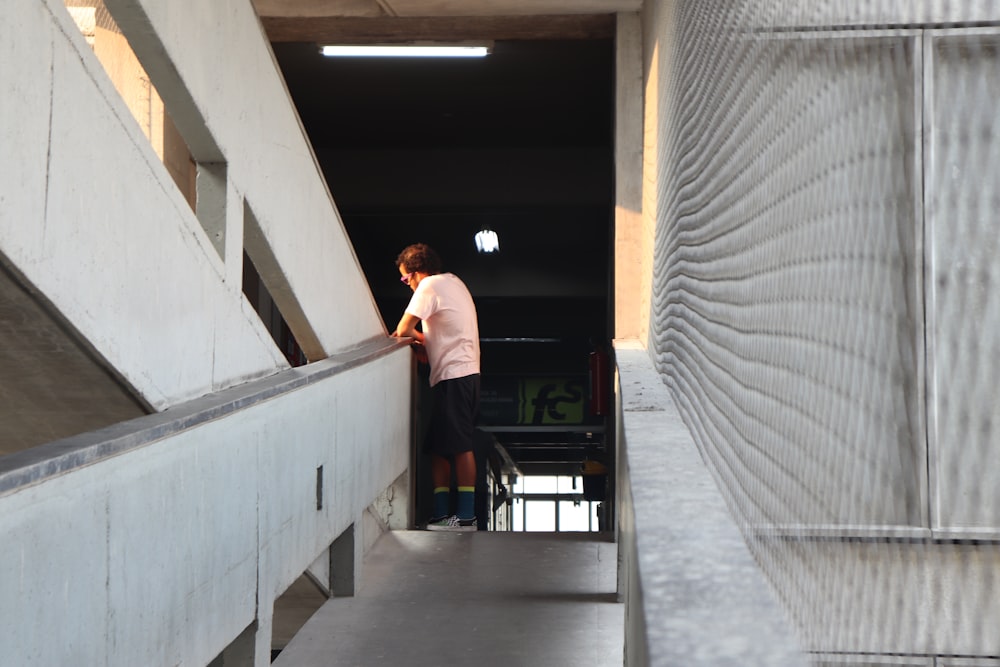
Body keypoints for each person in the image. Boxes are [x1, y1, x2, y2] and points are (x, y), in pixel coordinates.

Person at [392, 243, 481, 531]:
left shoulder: (428, 286)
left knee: (460, 445)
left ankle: (465, 516)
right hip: (458, 373)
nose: (407, 285)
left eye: (406, 279)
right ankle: (442, 514)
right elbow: (448, 331)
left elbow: (402, 330)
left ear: (416, 273)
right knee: (437, 448)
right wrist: (427, 343)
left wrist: (415, 338)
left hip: (455, 375)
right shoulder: (453, 281)